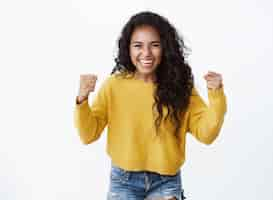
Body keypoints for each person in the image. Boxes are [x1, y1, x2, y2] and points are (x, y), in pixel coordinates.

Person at [74, 11, 227, 200]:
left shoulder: (180, 86)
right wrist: (82, 99)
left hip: (166, 182)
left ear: (165, 48)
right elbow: (88, 135)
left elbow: (206, 134)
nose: (146, 53)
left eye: (154, 45)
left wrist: (216, 95)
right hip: (123, 181)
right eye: (138, 45)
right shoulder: (114, 85)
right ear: (128, 49)